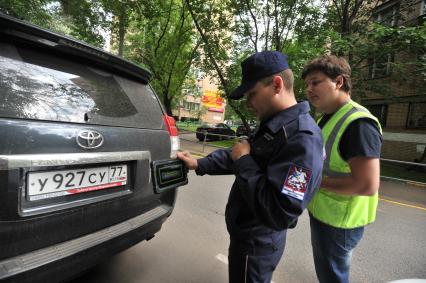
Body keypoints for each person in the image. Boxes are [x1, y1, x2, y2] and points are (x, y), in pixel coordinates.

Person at [177, 51, 324, 282]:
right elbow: (240, 153)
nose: (248, 103)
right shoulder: (276, 124)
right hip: (248, 236)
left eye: (252, 94)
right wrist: (199, 163)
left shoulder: (302, 138)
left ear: (276, 84)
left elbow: (279, 212)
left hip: (257, 244)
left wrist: (244, 160)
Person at [302, 55, 383, 283]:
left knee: (332, 277)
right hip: (325, 213)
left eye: (315, 82)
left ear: (338, 82)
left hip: (340, 222)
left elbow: (367, 185)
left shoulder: (358, 123)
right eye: (307, 85)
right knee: (328, 272)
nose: (309, 89)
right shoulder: (325, 118)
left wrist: (315, 181)